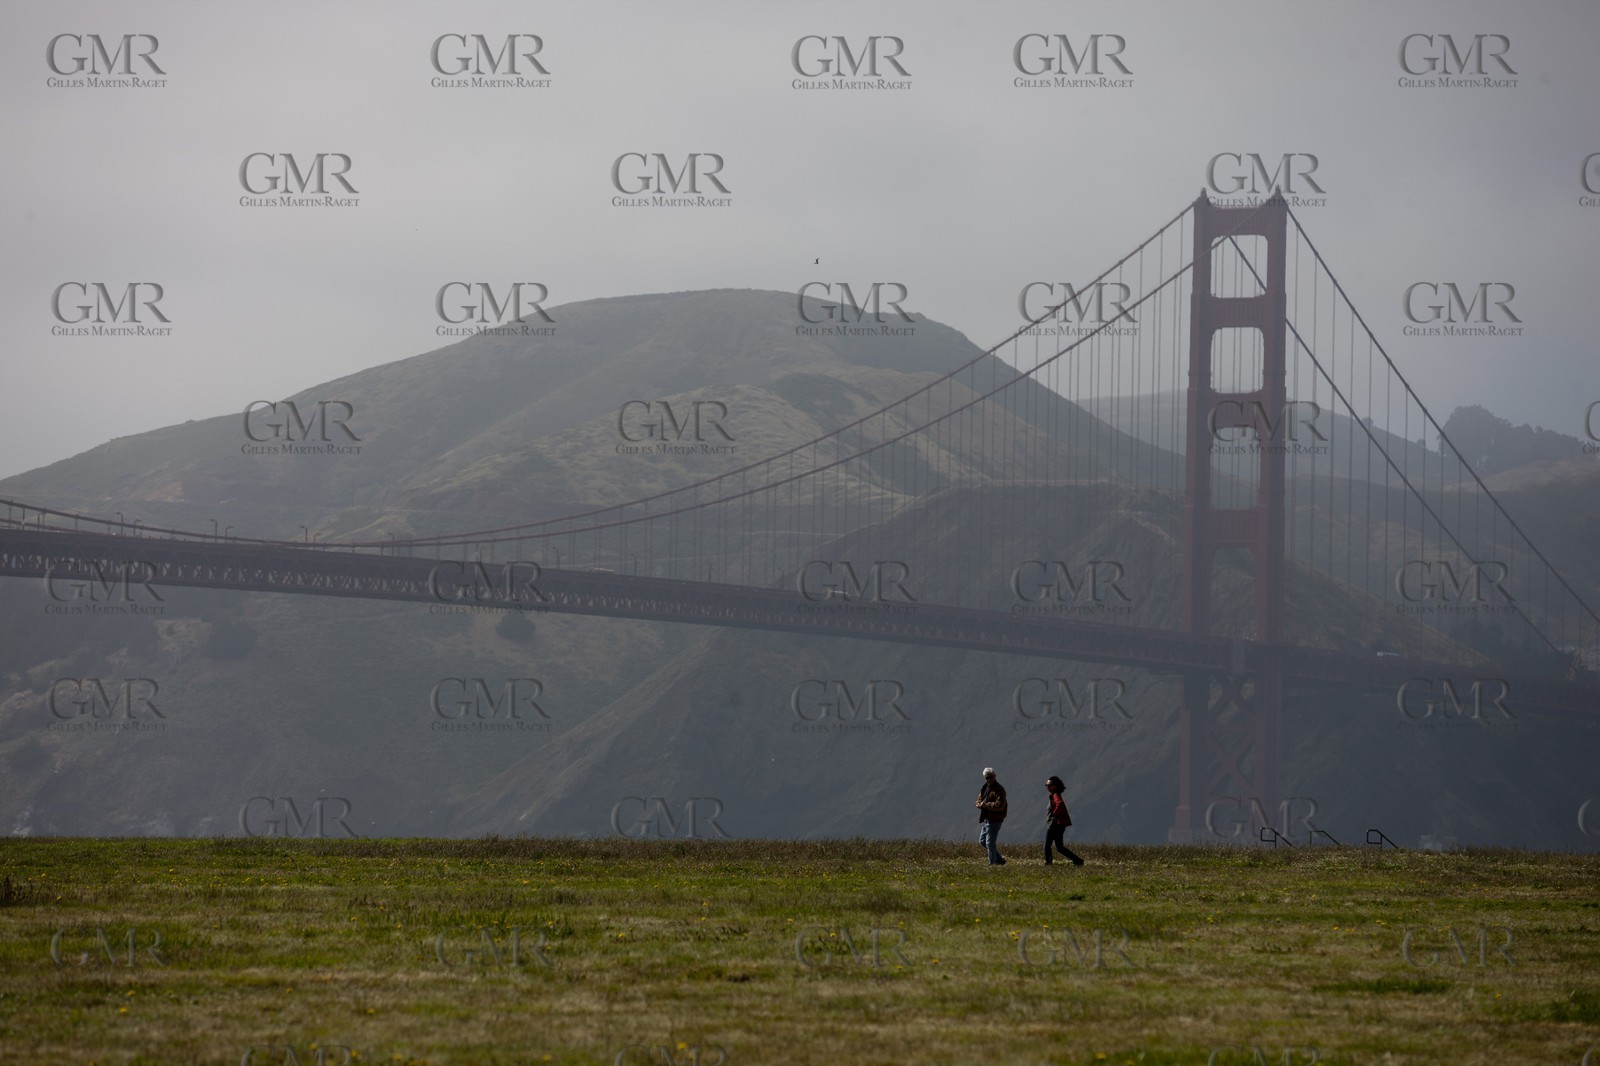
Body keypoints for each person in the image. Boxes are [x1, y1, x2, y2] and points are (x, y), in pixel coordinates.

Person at [1044, 775, 1085, 866]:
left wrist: (1054, 814)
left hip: (1054, 824)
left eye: (1049, 785)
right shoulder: (1055, 795)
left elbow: (1060, 804)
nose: (1047, 787)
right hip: (1059, 824)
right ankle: (1078, 860)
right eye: (1046, 785)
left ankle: (1048, 863)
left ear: (1055, 786)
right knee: (1059, 847)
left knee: (1047, 846)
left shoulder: (1055, 796)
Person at [976, 767, 1008, 865]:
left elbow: (1000, 805)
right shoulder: (985, 788)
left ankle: (992, 864)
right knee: (982, 841)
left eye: (991, 777)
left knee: (990, 843)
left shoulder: (999, 789)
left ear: (994, 776)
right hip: (987, 819)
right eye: (987, 778)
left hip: (995, 819)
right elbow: (979, 799)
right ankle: (999, 860)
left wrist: (986, 805)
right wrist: (978, 804)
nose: (989, 779)